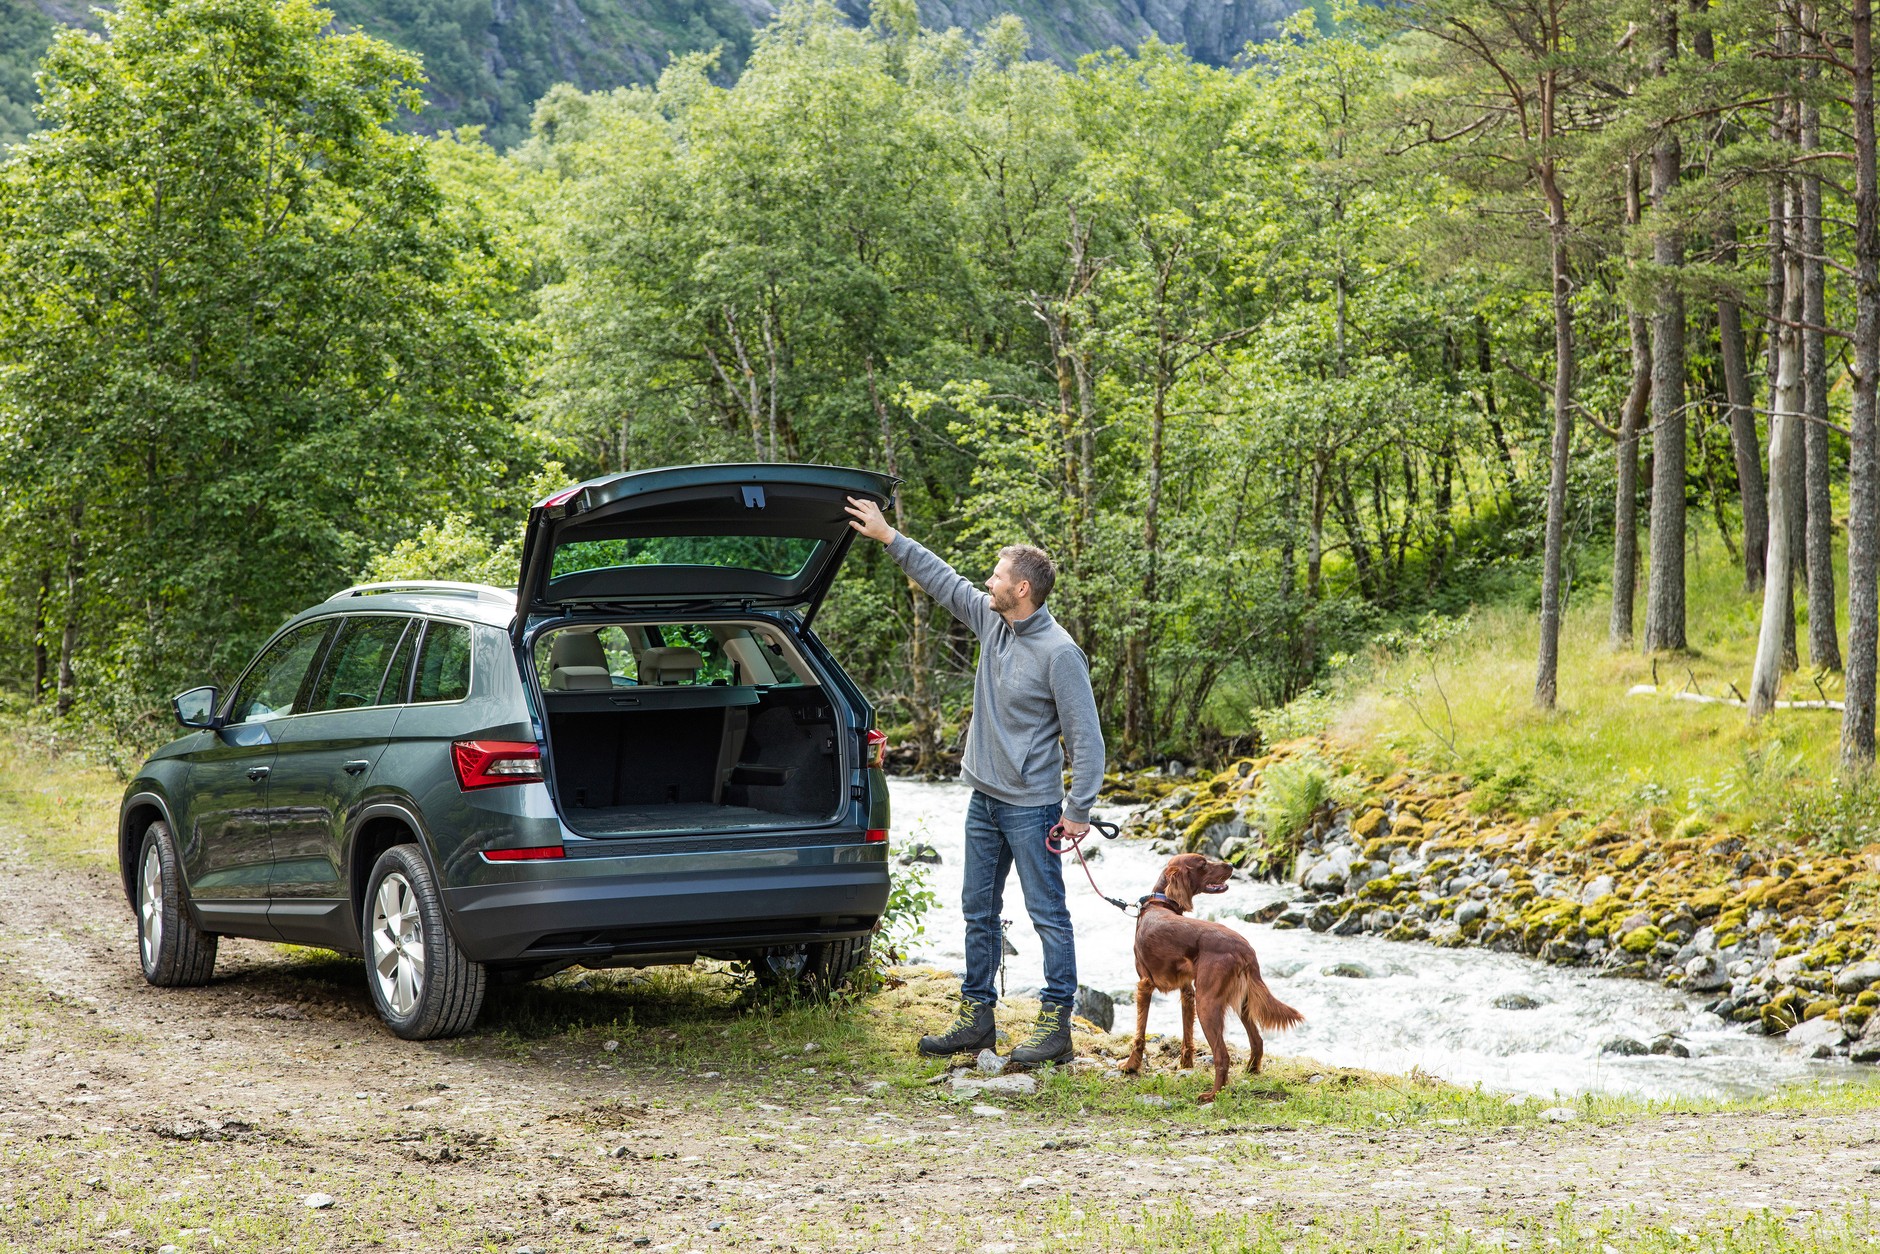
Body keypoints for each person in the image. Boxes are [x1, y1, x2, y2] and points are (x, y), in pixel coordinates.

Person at [844, 496, 1105, 1067]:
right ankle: (975, 1018)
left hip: (1033, 808)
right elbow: (942, 579)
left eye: (997, 576)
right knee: (976, 909)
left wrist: (1078, 809)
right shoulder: (992, 621)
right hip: (983, 799)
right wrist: (890, 537)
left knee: (1047, 916)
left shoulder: (1061, 654)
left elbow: (1087, 740)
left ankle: (1056, 1024)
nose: (986, 581)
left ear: (1023, 591)